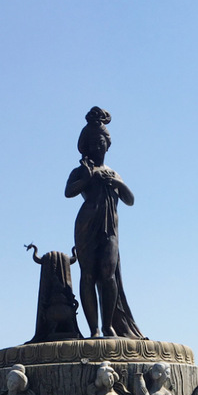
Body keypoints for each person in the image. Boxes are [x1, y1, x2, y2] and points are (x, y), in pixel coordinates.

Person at [64, 106, 143, 339]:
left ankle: (109, 325)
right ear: (85, 146)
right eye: (93, 143)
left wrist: (118, 184)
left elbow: (130, 200)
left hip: (110, 228)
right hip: (87, 224)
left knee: (108, 273)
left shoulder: (113, 173)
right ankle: (94, 329)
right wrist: (87, 178)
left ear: (107, 145)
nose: (98, 147)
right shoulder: (81, 171)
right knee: (88, 274)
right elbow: (68, 192)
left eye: (101, 143)